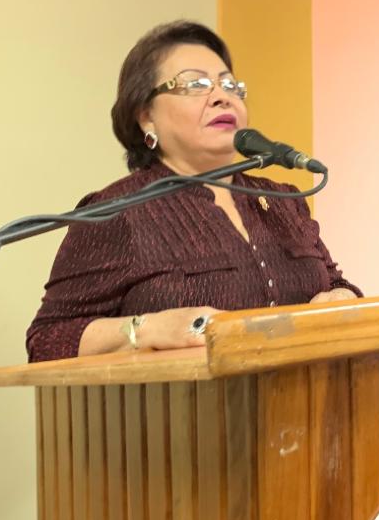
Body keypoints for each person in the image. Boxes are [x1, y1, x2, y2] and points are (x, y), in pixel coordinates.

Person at [26, 21, 361, 362]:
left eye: (230, 85)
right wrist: (148, 330)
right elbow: (47, 341)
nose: (222, 97)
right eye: (195, 84)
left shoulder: (282, 201)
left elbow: (335, 284)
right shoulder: (117, 212)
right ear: (146, 116)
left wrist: (342, 298)